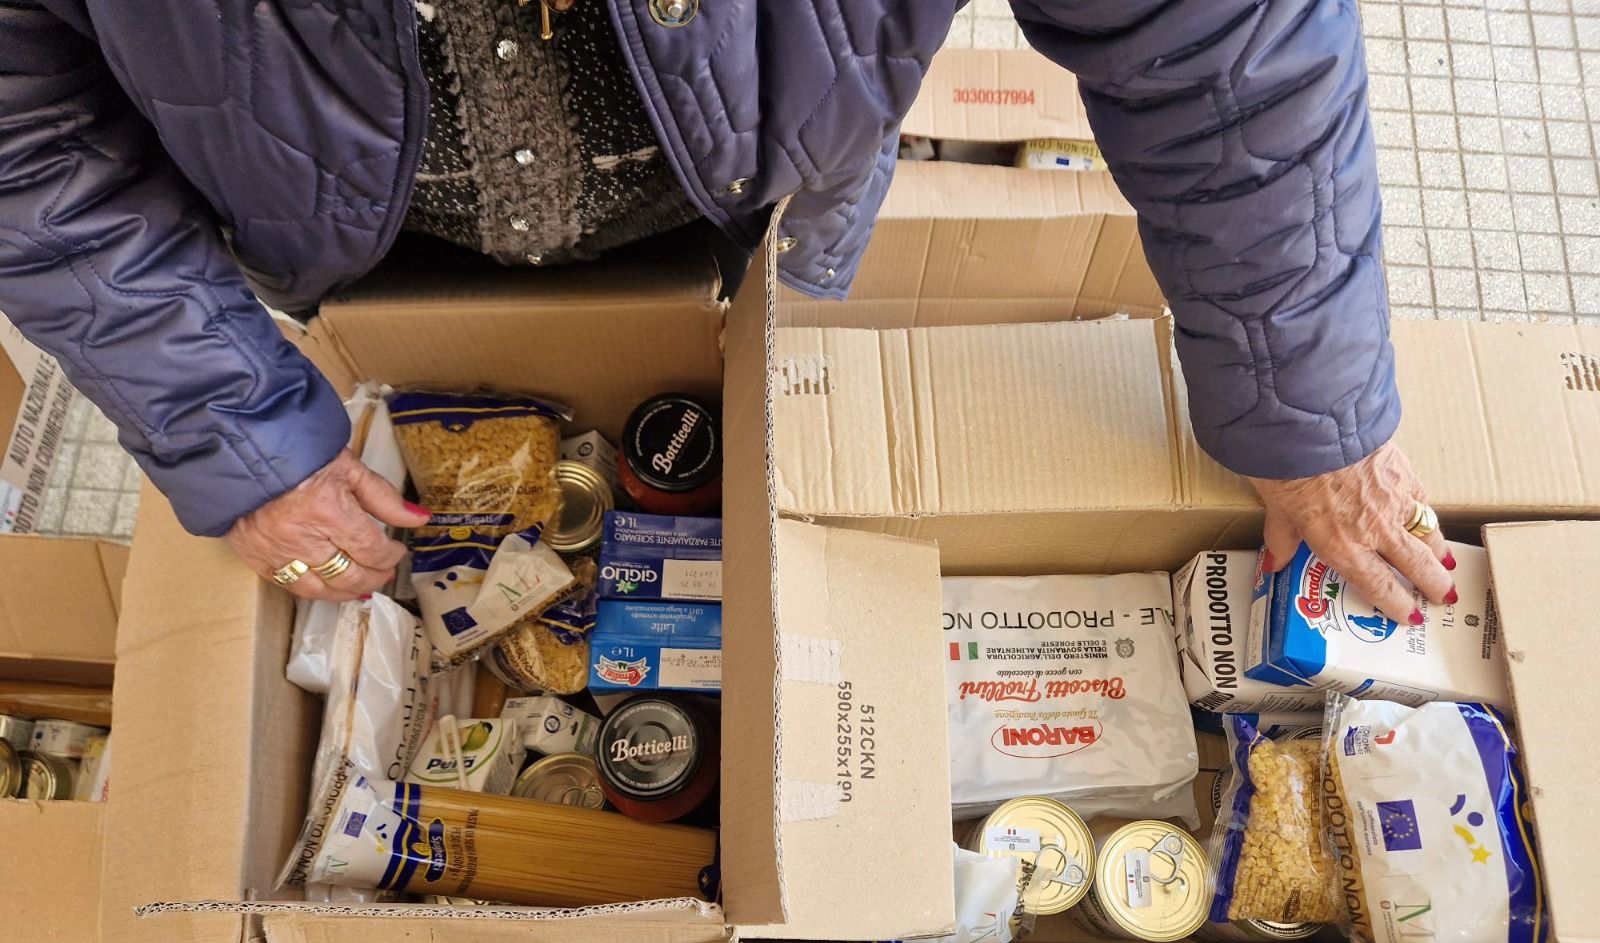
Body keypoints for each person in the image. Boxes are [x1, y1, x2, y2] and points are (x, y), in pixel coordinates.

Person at [0, 0, 1454, 623]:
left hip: (759, 197)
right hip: (349, 243)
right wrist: (230, 425)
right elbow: (21, 126)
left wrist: (1310, 406)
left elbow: (1229, 50)